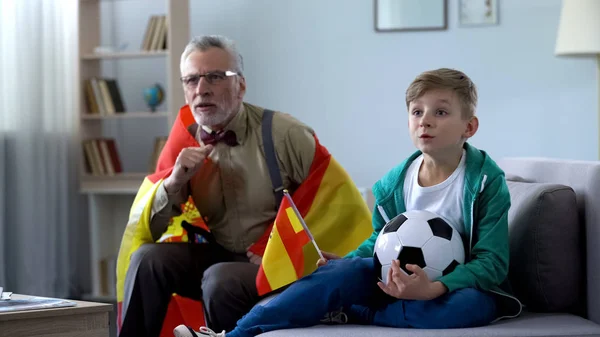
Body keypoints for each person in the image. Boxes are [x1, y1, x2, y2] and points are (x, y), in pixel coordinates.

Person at [174, 68, 523, 337]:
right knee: (336, 274)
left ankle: (356, 311)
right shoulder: (391, 184)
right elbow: (380, 242)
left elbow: (492, 263)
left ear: (470, 126)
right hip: (390, 282)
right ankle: (232, 334)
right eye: (416, 112)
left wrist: (433, 288)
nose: (425, 121)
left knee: (471, 307)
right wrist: (349, 262)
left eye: (441, 112)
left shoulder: (484, 182)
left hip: (453, 290)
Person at [116, 35, 372, 337]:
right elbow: (152, 229)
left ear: (241, 85)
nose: (201, 89)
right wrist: (175, 181)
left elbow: (334, 205)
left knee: (219, 279)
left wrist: (274, 247)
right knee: (148, 259)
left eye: (214, 77)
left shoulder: (285, 134)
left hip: (280, 263)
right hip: (220, 252)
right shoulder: (183, 140)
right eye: (191, 79)